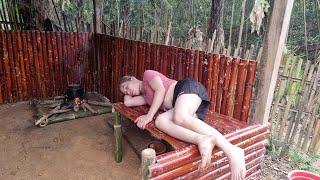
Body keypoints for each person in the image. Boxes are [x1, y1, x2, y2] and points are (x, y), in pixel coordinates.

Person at [120, 70, 246, 180]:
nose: (127, 91)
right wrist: (126, 92)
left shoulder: (148, 75)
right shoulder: (146, 97)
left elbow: (160, 90)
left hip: (186, 89)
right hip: (183, 106)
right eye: (125, 91)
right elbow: (128, 103)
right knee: (160, 121)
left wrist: (148, 116)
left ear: (133, 78)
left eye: (126, 86)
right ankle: (202, 140)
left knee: (179, 117)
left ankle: (232, 151)